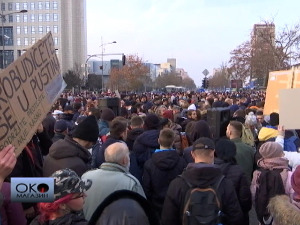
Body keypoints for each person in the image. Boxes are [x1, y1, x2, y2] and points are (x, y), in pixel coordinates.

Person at [161, 137, 243, 225]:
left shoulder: (177, 184)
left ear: (192, 154)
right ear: (213, 153)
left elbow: (168, 219)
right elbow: (235, 218)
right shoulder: (226, 184)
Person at [82, 142, 146, 220]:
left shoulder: (86, 176)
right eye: (128, 157)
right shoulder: (131, 183)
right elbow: (142, 213)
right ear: (125, 160)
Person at [142, 128, 186, 217]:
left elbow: (147, 189)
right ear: (173, 142)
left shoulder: (149, 164)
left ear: (158, 141)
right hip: (176, 207)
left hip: (156, 207)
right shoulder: (182, 162)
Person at [251, 142, 293, 224]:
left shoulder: (257, 173)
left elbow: (254, 195)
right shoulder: (288, 174)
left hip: (263, 217)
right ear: (279, 154)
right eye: (281, 152)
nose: (284, 154)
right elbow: (292, 198)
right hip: (282, 218)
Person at [214, 139, 252, 225]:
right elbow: (245, 199)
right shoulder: (238, 171)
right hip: (235, 215)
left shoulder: (210, 169)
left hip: (214, 214)